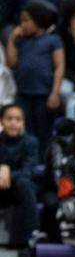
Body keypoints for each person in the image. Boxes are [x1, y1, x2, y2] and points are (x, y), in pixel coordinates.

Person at [5, 0, 63, 152]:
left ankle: (44, 161)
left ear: (38, 20)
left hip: (43, 93)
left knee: (43, 130)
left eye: (26, 20)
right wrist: (11, 39)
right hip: (23, 93)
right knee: (27, 130)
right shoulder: (22, 41)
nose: (22, 24)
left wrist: (55, 92)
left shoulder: (53, 40)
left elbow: (59, 66)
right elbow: (11, 63)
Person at [0, 103, 39, 248]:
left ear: (23, 122)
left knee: (24, 182)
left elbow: (28, 171)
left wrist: (7, 172)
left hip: (19, 191)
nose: (13, 123)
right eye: (9, 119)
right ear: (1, 121)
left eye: (18, 119)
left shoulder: (31, 142)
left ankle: (34, 233)